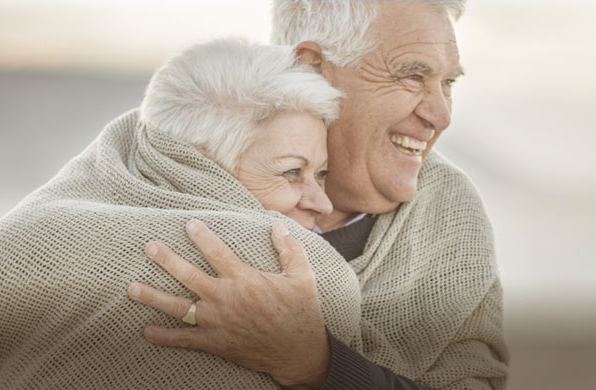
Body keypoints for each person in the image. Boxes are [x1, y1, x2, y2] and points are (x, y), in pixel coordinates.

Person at [0, 38, 374, 389]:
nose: (322, 203)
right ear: (198, 163)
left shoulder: (18, 238)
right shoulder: (303, 273)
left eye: (321, 173)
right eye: (291, 172)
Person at [122, 1, 506, 390]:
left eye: (448, 83)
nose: (442, 115)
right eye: (412, 76)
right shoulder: (146, 174)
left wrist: (317, 364)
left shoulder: (448, 217)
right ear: (312, 68)